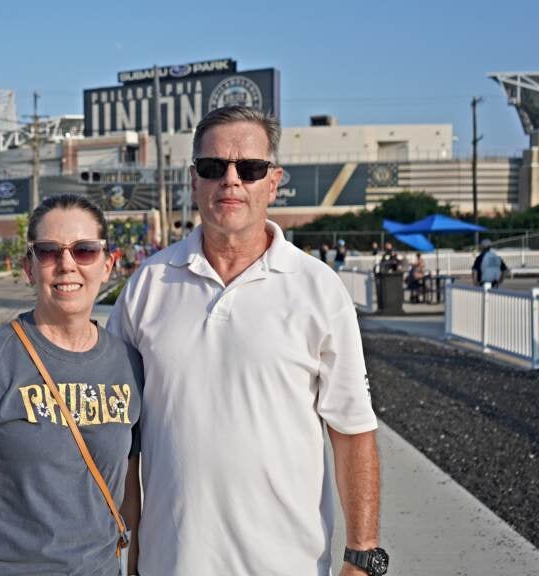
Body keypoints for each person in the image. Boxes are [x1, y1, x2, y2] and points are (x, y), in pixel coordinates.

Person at [108, 106, 384, 576]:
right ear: (193, 181)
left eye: (250, 168)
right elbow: (121, 437)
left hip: (289, 563)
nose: (230, 181)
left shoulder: (317, 288)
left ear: (273, 182)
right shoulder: (147, 286)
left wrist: (361, 556)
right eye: (213, 168)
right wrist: (129, 549)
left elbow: (352, 431)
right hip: (171, 563)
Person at [0, 194, 144, 576]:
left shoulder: (128, 364)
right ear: (29, 267)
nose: (67, 265)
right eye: (48, 252)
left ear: (108, 265)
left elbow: (130, 499)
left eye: (85, 251)